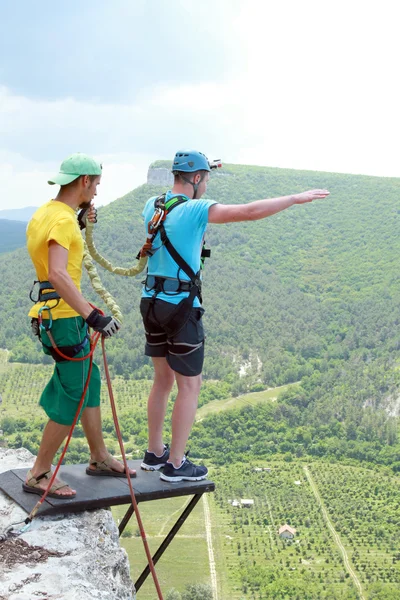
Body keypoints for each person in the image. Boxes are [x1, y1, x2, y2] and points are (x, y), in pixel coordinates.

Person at [140, 149, 330, 483]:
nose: (207, 185)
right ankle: (176, 463)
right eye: (206, 178)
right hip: (181, 306)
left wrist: (206, 166)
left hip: (151, 301)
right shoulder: (196, 209)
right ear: (197, 179)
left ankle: (154, 453)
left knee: (162, 380)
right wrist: (294, 198)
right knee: (191, 384)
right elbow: (248, 212)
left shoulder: (153, 206)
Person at [24, 152, 134, 499]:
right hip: (65, 319)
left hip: (55, 314)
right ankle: (39, 473)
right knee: (73, 392)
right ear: (84, 181)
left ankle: (99, 456)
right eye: (96, 184)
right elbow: (57, 273)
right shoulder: (63, 221)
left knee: (90, 379)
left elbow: (52, 262)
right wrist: (92, 315)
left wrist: (80, 219)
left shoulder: (48, 213)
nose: (97, 192)